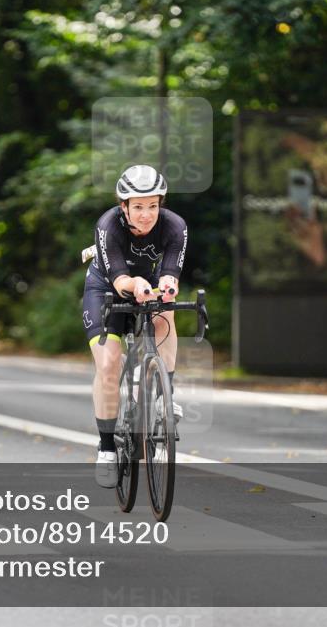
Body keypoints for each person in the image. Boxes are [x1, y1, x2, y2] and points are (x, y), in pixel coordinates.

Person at [82, 164, 188, 488]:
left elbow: (170, 272)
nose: (146, 215)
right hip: (105, 288)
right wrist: (136, 283)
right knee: (110, 364)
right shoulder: (108, 226)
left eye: (153, 206)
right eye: (138, 207)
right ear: (123, 206)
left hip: (148, 282)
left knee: (165, 315)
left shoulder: (175, 227)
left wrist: (168, 286)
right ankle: (106, 447)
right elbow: (120, 278)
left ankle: (162, 392)